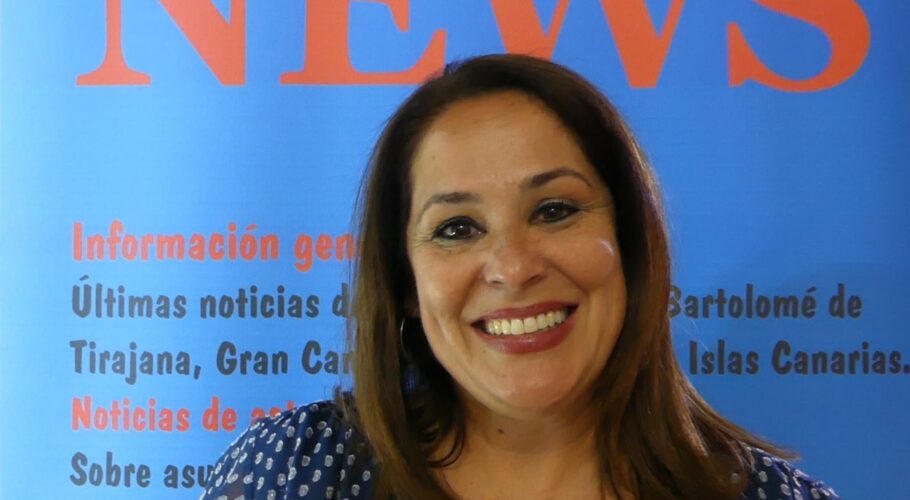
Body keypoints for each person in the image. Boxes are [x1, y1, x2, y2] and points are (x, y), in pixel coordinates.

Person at [201, 55, 839, 500]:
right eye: (457, 228)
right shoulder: (289, 475)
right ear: (405, 284)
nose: (512, 266)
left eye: (555, 210)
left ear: (629, 246)